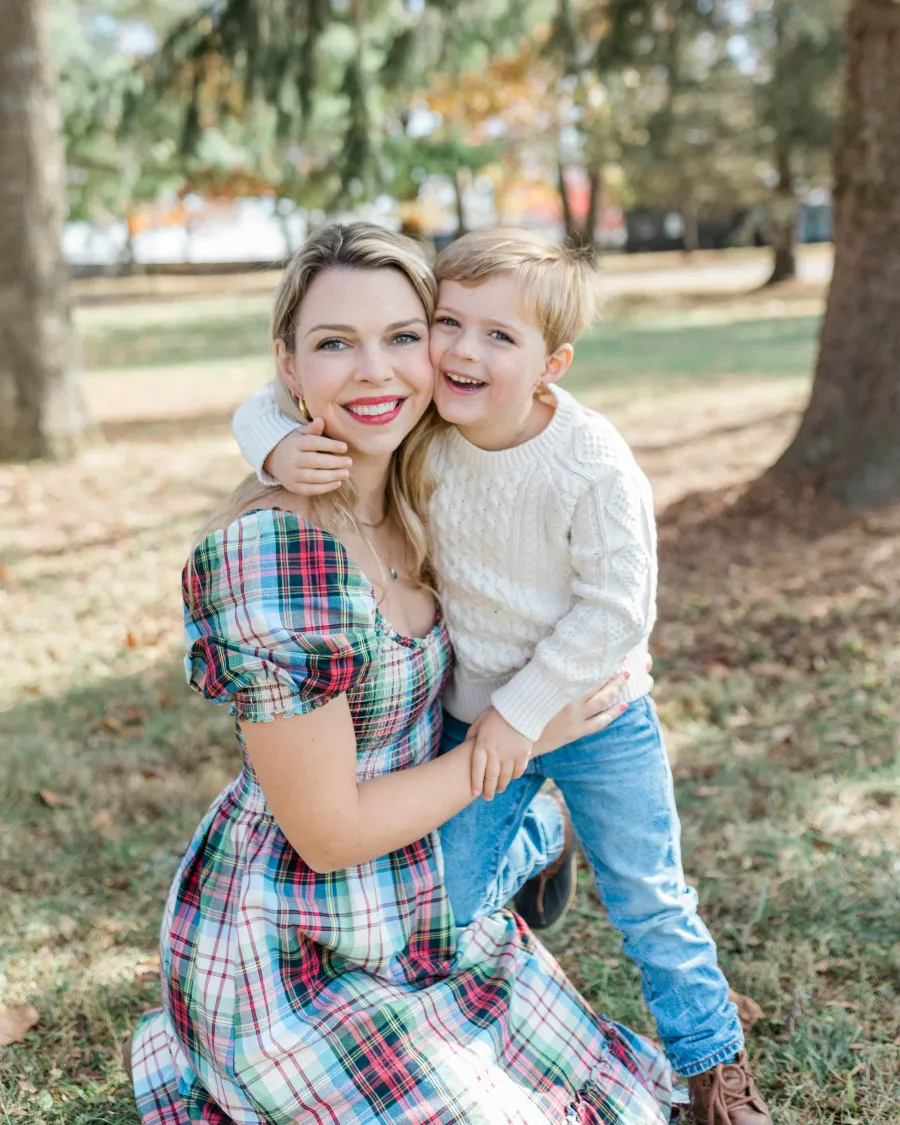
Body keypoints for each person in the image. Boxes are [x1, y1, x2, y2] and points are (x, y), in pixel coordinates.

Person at [129, 222, 680, 1125]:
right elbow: (330, 834)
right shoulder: (275, 552)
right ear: (289, 364)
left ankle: (525, 844)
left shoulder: (432, 483)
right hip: (296, 934)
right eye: (334, 343)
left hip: (422, 884)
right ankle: (533, 835)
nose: (376, 370)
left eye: (403, 336)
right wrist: (524, 734)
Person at [232, 227, 773, 1125]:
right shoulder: (432, 423)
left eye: (499, 336)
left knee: (649, 898)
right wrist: (274, 451)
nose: (462, 351)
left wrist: (524, 718)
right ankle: (538, 833)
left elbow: (616, 613)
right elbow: (272, 393)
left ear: (551, 361)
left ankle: (716, 1075)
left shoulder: (591, 463)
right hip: (472, 717)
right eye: (448, 323)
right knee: (447, 903)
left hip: (591, 713)